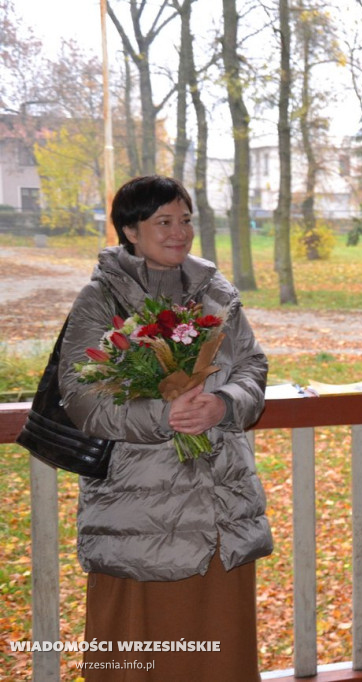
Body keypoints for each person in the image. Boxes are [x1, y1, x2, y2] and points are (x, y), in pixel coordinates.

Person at [58, 175, 273, 680]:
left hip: (219, 502)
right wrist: (163, 416)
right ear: (130, 230)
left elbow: (253, 368)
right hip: (140, 510)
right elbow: (81, 396)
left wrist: (224, 405)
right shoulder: (101, 299)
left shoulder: (216, 291)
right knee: (139, 649)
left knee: (220, 646)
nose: (179, 232)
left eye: (186, 220)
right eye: (163, 222)